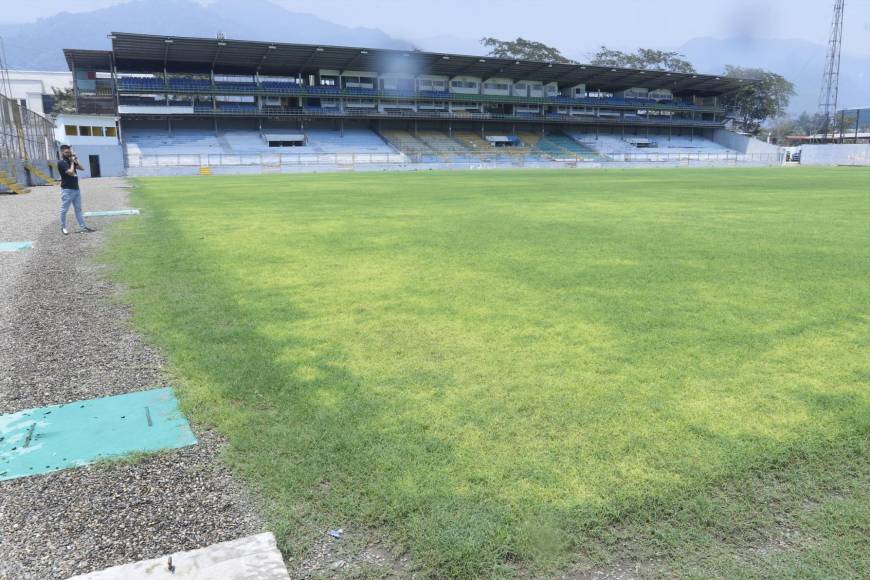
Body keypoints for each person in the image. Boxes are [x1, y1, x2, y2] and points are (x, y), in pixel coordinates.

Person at [57, 145, 95, 235]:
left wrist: (75, 160)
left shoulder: (71, 161)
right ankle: (63, 227)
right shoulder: (61, 162)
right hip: (67, 190)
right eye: (66, 152)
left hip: (76, 189)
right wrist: (72, 163)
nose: (68, 153)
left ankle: (83, 227)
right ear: (62, 152)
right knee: (64, 210)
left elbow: (82, 168)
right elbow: (70, 172)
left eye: (69, 152)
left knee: (78, 209)